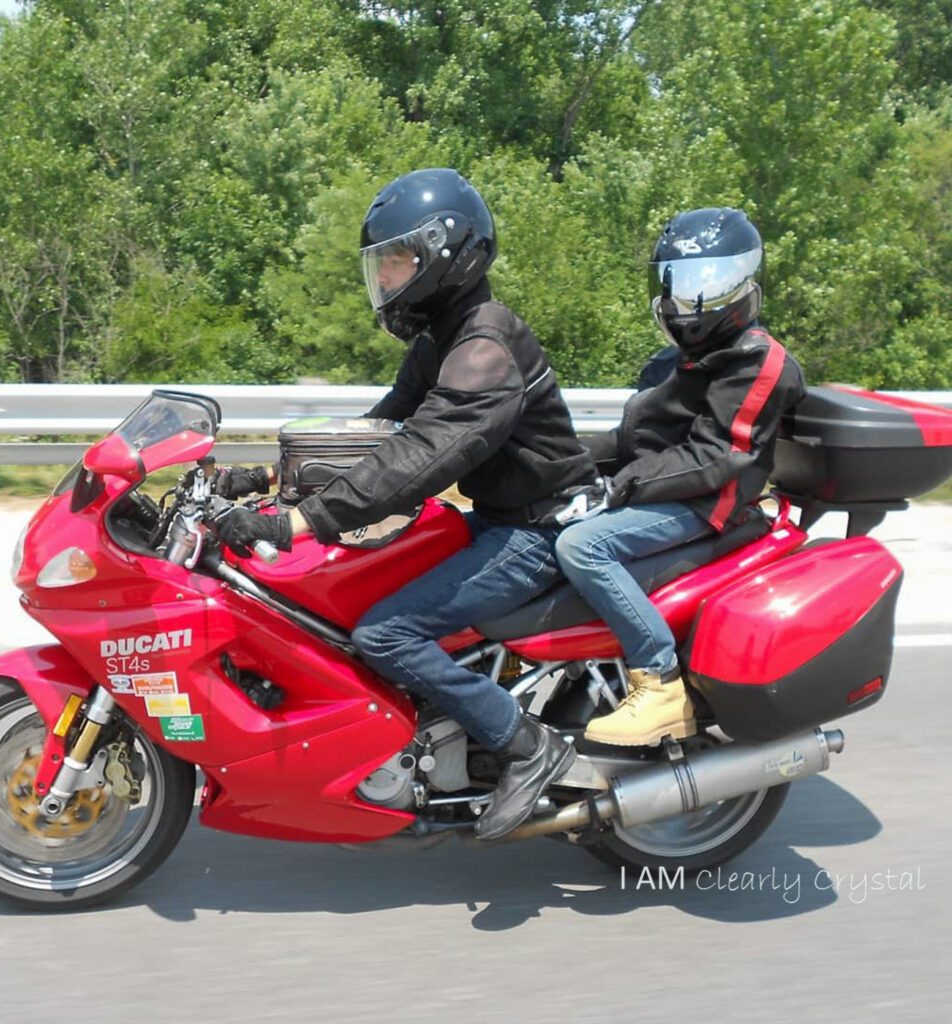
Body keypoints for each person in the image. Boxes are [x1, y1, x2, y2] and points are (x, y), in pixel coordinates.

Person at [216, 168, 605, 840]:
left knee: (385, 632)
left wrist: (296, 522)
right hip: (496, 519)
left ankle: (528, 749)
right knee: (338, 597)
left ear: (444, 257)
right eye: (383, 266)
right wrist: (263, 481)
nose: (387, 280)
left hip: (536, 531)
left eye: (397, 263)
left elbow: (416, 460)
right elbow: (377, 434)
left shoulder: (484, 348)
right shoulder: (443, 340)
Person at [555, 207, 806, 747]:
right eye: (677, 284)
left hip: (710, 508)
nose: (686, 302)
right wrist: (555, 466)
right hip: (670, 492)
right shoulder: (674, 361)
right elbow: (633, 442)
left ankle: (659, 681)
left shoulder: (757, 360)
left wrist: (616, 488)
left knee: (583, 547)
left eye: (705, 285)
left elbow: (717, 456)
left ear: (741, 283)